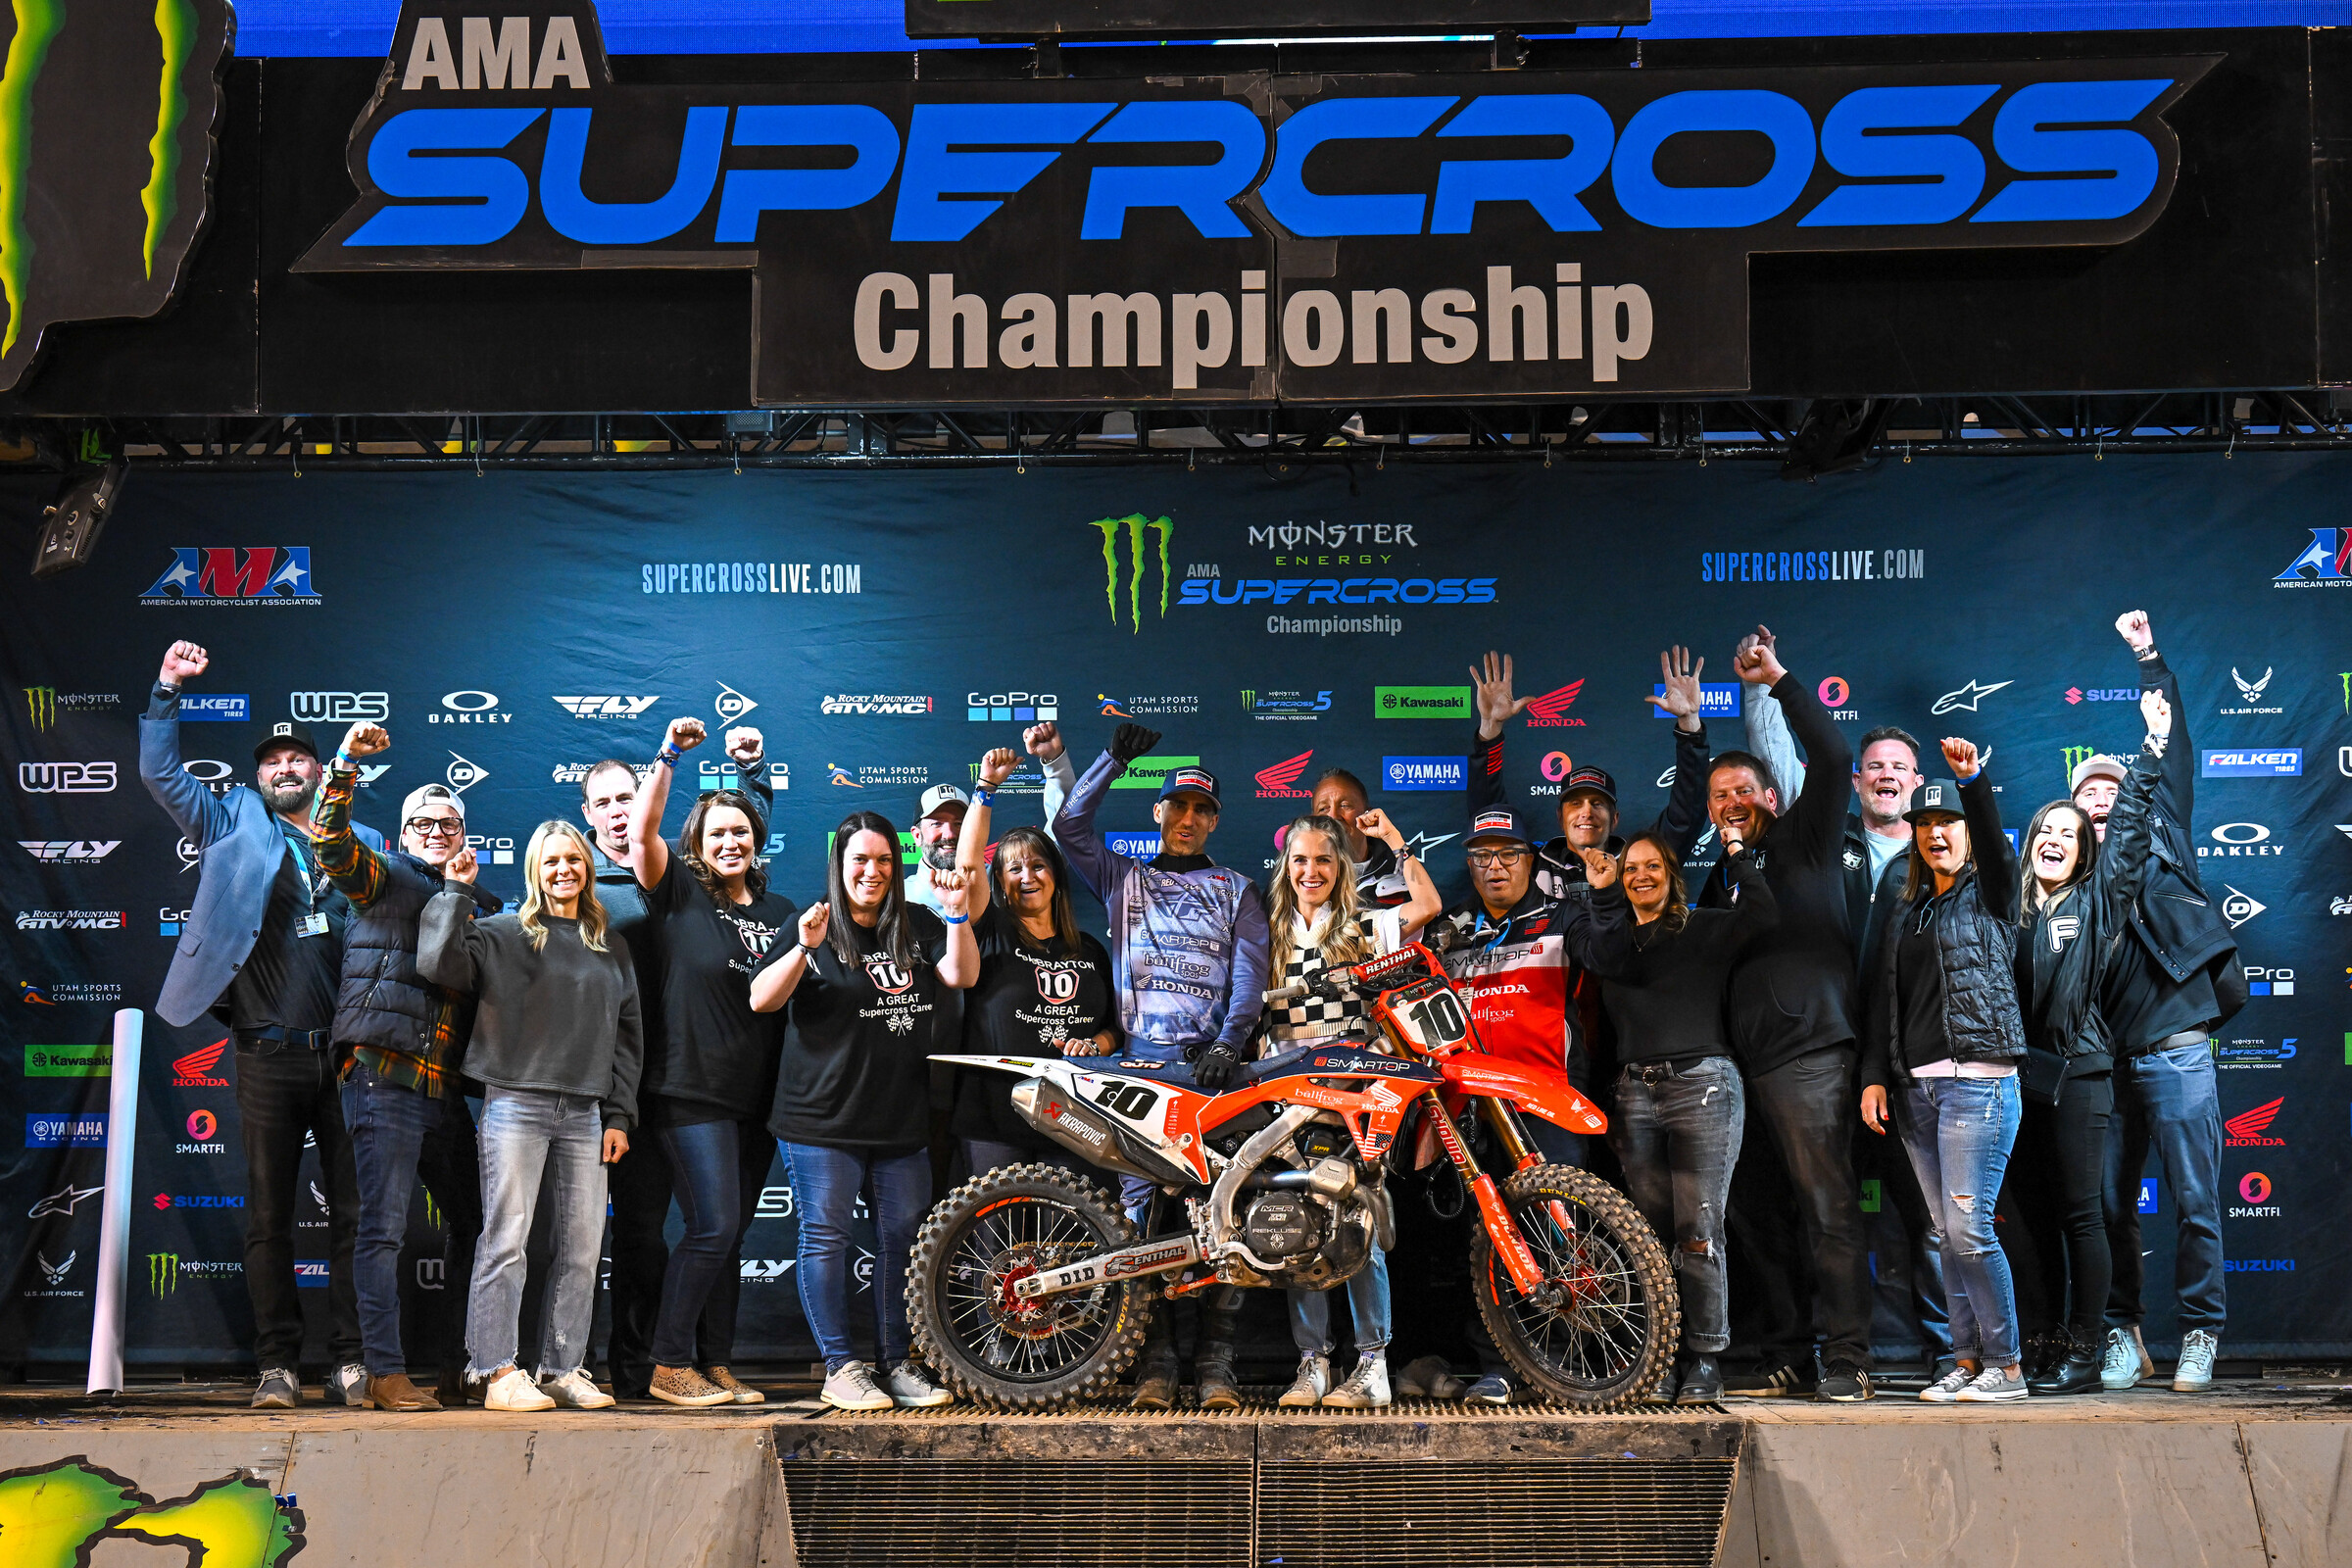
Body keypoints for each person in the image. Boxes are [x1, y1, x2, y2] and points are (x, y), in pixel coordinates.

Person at [137, 641, 376, 1409]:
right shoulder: (229, 818)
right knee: (270, 1215)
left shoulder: (358, 844)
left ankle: (351, 1359)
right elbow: (160, 774)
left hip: (347, 1058)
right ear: (259, 775)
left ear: (320, 772)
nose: (282, 770)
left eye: (296, 761)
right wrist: (168, 688)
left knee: (356, 1216)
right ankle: (276, 1363)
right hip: (266, 1049)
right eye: (270, 761)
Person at [1740, 629, 1951, 1382]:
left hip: (1909, 1055)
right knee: (1809, 1211)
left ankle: (1951, 1353)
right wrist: (1756, 692)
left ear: (1918, 782)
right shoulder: (1823, 843)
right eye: (1876, 768)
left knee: (1931, 1219)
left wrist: (1775, 679)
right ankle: (1814, 1354)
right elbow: (1777, 764)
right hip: (1817, 1056)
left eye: (1901, 768)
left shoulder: (1939, 859)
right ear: (1859, 782)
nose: (1886, 777)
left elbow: (1813, 759)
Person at [1054, 723, 1270, 1410]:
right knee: (1140, 1225)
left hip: (1215, 1075)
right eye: (1177, 806)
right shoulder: (1125, 877)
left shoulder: (1237, 888)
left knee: (1225, 1217)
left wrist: (1230, 1045)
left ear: (1213, 821)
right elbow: (1068, 827)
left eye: (1201, 810)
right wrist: (1109, 758)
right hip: (1142, 1075)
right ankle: (1154, 1360)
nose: (1187, 818)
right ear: (1158, 812)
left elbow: (1249, 976)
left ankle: (1216, 1366)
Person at [1696, 634, 1876, 1403]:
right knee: (1758, 1216)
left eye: (1746, 790)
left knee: (1828, 1209)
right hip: (1739, 1072)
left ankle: (1847, 1357)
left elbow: (1835, 762)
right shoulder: (1718, 876)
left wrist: (1779, 683)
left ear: (1772, 799)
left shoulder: (1806, 839)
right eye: (1720, 796)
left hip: (1810, 1059)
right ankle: (1786, 1349)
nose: (1734, 802)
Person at [310, 721, 505, 1412]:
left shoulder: (485, 904)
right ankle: (385, 1371)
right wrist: (342, 766)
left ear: (464, 834)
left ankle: (462, 1367)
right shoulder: (379, 874)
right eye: (421, 821)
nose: (434, 830)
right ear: (401, 831)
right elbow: (330, 839)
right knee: (383, 1228)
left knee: (478, 1227)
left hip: (445, 1086)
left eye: (447, 822)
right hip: (382, 1074)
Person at [757, 810, 977, 1412]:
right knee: (825, 1238)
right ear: (840, 864)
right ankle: (839, 1366)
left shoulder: (920, 923)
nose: (872, 871)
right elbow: (761, 999)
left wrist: (957, 914)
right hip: (820, 1120)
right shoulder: (813, 922)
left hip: (899, 1119)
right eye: (860, 859)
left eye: (884, 860)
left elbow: (962, 973)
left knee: (902, 1241)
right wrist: (805, 947)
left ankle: (897, 1363)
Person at [573, 732, 772, 1400]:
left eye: (627, 796)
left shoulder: (707, 889)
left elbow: (743, 832)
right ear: (589, 815)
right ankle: (639, 1369)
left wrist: (752, 771)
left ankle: (700, 1360)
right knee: (641, 1235)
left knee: (719, 1234)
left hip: (722, 1084)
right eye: (605, 801)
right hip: (637, 1084)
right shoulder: (587, 881)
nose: (620, 809)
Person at [420, 820, 643, 1412]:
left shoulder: (610, 944)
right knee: (507, 1241)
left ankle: (563, 1369)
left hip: (588, 1113)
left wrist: (619, 1113)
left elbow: (628, 1037)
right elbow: (438, 965)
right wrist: (456, 891)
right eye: (550, 862)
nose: (563, 869)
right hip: (515, 1103)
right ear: (533, 872)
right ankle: (494, 1372)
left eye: (573, 858)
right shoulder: (499, 934)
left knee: (582, 1247)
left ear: (588, 866)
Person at [2078, 611, 2237, 1394]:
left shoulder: (2166, 827)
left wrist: (2147, 657)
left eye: (2112, 785)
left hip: (2175, 1040)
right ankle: (2121, 1333)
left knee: (2197, 1197)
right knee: (2109, 1205)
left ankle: (2202, 1330)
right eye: (2088, 793)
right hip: (2105, 1056)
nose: (2101, 799)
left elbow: (2170, 744)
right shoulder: (2068, 879)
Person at [1420, 807, 1624, 1403]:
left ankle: (1560, 1362)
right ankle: (1497, 1366)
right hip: (1473, 1107)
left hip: (1548, 1099)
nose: (1496, 867)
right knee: (1487, 1239)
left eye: (1509, 855)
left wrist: (1607, 895)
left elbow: (1611, 958)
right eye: (1482, 857)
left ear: (1531, 862)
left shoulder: (1564, 916)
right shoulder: (1449, 928)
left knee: (1562, 1234)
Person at [627, 716, 799, 1408]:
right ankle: (667, 1364)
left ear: (758, 842)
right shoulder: (679, 893)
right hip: (689, 1090)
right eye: (717, 833)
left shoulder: (785, 908)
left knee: (729, 1236)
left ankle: (716, 1361)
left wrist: (755, 780)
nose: (731, 841)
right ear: (695, 844)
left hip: (757, 1099)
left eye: (742, 832)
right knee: (712, 1226)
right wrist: (668, 757)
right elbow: (642, 835)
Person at [1860, 742, 2029, 1404]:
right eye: (1926, 824)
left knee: (1968, 1230)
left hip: (1978, 1084)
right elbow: (1885, 1000)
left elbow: (1994, 838)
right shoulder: (1908, 910)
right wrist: (1877, 1073)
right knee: (1945, 1235)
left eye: (1948, 823)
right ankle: (1966, 1360)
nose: (1936, 833)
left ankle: (2007, 1367)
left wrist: (1973, 783)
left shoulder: (1992, 893)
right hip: (1917, 1088)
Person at [1585, 829, 1777, 1405]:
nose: (1640, 875)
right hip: (1633, 1095)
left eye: (1652, 866)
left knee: (1698, 1232)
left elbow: (1765, 914)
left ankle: (1706, 1359)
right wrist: (1600, 895)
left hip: (1702, 1086)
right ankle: (1660, 1358)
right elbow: (1601, 955)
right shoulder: (1615, 941)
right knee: (1648, 1237)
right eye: (1630, 869)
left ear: (1672, 872)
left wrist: (1738, 852)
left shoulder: (1705, 926)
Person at [2012, 693, 2169, 1396]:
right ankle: (2042, 1345)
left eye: (2068, 833)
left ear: (2081, 855)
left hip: (2080, 1076)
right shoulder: (2008, 912)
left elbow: (2129, 839)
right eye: (2045, 827)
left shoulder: (2097, 901)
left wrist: (2150, 758)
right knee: (2036, 1218)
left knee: (2082, 1215)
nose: (2054, 837)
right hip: (2016, 1082)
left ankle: (2084, 1350)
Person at [1261, 808, 1441, 1410]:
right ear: (1286, 868)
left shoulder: (1365, 921)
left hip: (1359, 1095)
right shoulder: (1269, 930)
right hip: (1288, 1097)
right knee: (1295, 1230)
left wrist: (1393, 840)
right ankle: (1313, 1364)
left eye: (1323, 860)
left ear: (1341, 869)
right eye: (1300, 860)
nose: (1311, 871)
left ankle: (1373, 1366)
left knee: (1359, 1224)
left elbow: (1429, 906)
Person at [950, 748, 1120, 1176]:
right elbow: (967, 869)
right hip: (995, 1120)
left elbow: (1118, 1027)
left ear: (1056, 878)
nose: (1028, 877)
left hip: (1076, 1119)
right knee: (993, 1242)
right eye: (1014, 869)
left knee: (1078, 1240)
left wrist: (1095, 1046)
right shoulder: (989, 932)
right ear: (1000, 884)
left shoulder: (1090, 949)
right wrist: (985, 788)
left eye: (1038, 865)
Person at [1465, 649, 1712, 902]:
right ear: (1560, 818)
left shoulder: (1638, 863)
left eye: (1597, 804)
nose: (1587, 812)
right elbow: (1488, 817)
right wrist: (1490, 730)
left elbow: (1687, 815)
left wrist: (1689, 722)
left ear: (1615, 819)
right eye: (1575, 803)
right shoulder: (1531, 864)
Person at [1305, 767, 1411, 906]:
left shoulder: (1402, 870)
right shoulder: (1299, 879)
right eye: (1323, 809)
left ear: (1367, 813)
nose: (1333, 816)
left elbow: (1428, 909)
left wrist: (1391, 836)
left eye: (1345, 805)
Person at [905, 783, 971, 914]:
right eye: (937, 824)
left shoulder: (994, 883)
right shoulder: (900, 895)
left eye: (958, 824)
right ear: (917, 836)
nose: (949, 834)